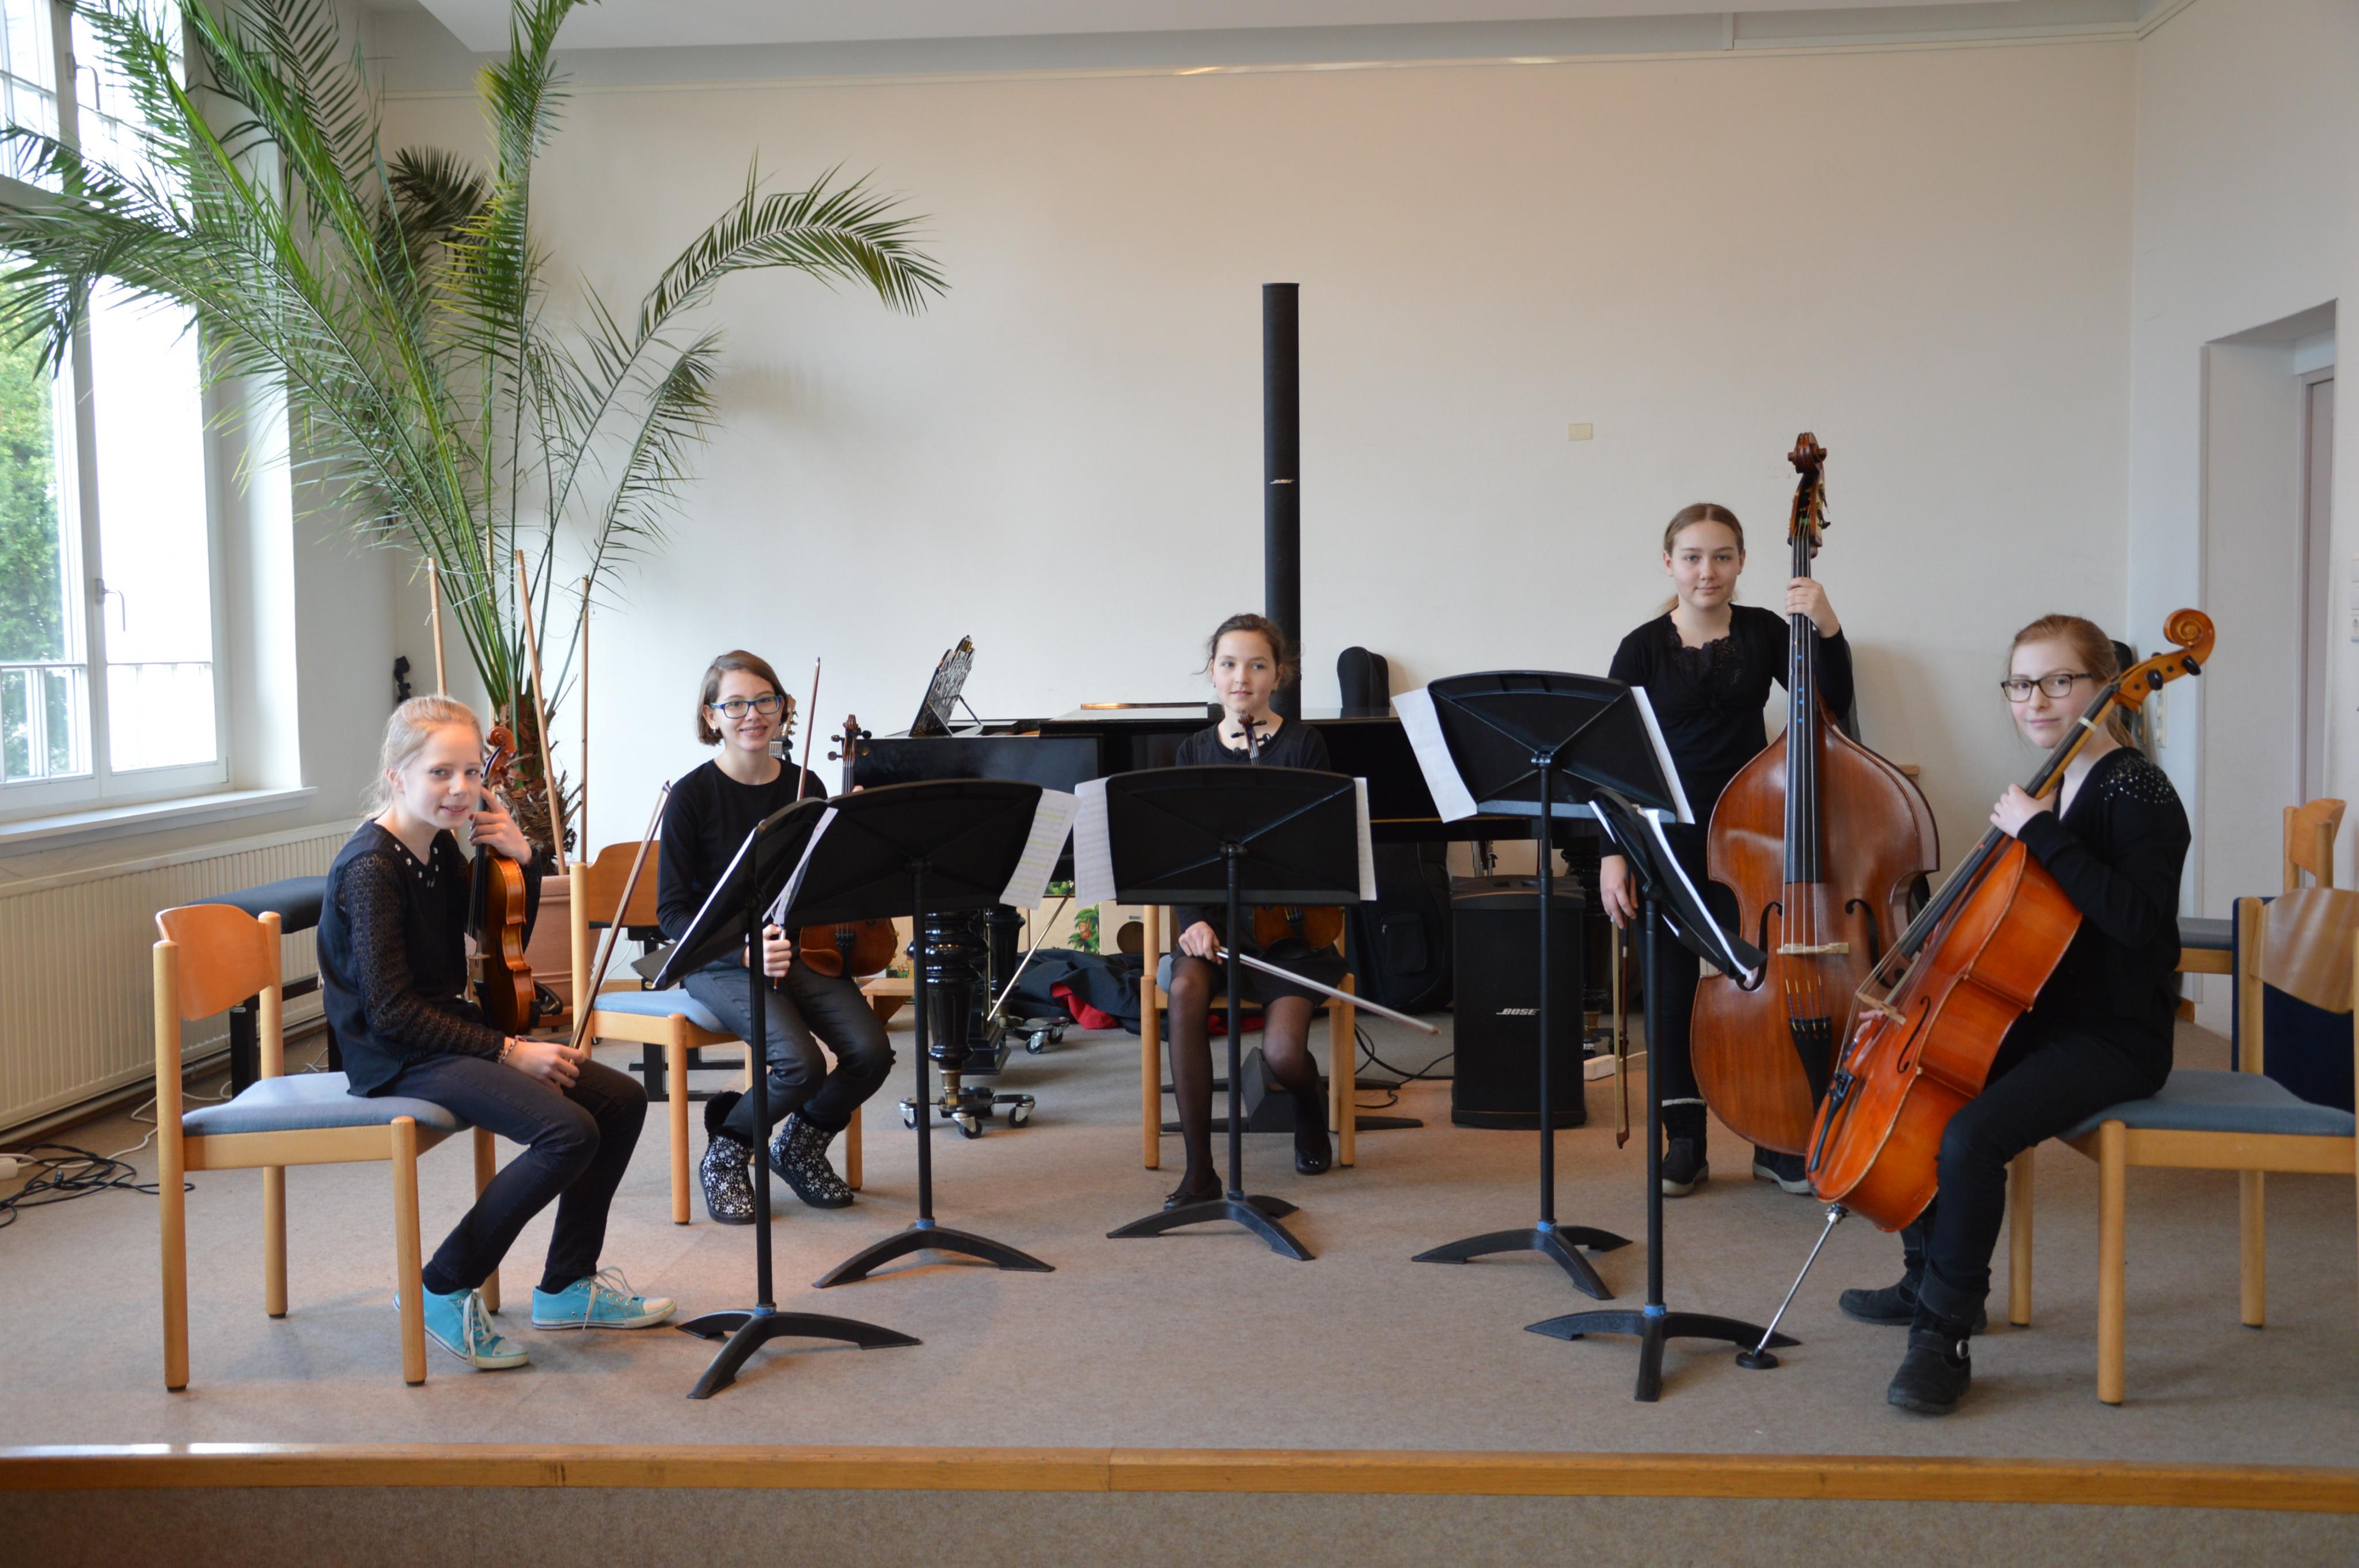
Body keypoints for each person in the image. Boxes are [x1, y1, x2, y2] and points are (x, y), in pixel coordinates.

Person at [1840, 614, 2186, 1416]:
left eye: (2059, 681)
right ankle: (1925, 1275)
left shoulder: (2137, 790)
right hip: (2047, 1010)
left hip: (2117, 1034)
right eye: (2022, 683)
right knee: (1923, 1083)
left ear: (2106, 686)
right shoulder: (2055, 783)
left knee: (1972, 1135)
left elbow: (2139, 923)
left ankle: (1943, 1335)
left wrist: (2040, 833)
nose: (2036, 699)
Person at [317, 696, 673, 1371]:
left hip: (445, 1032)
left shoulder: (438, 845)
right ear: (396, 775)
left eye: (471, 771)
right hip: (394, 1053)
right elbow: (390, 1012)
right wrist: (510, 1050)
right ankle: (440, 1285)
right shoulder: (373, 867)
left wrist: (524, 859)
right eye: (440, 772)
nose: (460, 788)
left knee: (621, 1101)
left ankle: (566, 1285)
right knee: (568, 1131)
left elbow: (496, 931)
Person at [1598, 502, 1853, 1196]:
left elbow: (1831, 702)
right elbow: (1611, 756)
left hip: (1750, 834)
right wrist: (1612, 852)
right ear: (1669, 563)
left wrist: (1826, 624)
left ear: (1741, 562)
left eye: (1721, 556)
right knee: (1673, 986)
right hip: (1666, 835)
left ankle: (1774, 1139)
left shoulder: (1768, 632)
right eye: (1691, 557)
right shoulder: (1641, 648)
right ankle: (1684, 1140)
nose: (1705, 571)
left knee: (1763, 983)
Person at [659, 650, 894, 1225]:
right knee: (799, 1063)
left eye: (765, 700)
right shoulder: (690, 796)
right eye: (735, 704)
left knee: (871, 1053)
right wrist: (743, 949)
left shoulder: (805, 784)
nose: (753, 714)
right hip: (717, 959)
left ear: (784, 707)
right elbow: (671, 914)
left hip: (796, 947)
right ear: (711, 715)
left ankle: (800, 1145)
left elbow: (820, 884)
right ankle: (727, 1151)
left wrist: (857, 839)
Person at [1159, 613, 1344, 1207]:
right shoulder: (1192, 752)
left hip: (1290, 933)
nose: (1242, 677)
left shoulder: (1303, 745)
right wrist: (1193, 922)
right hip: (1217, 927)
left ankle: (1309, 1107)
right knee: (1186, 990)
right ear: (1212, 673)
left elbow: (1318, 849)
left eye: (1257, 665)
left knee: (1284, 1054)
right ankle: (1199, 1170)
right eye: (1230, 664)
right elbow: (1183, 860)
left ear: (1278, 676)